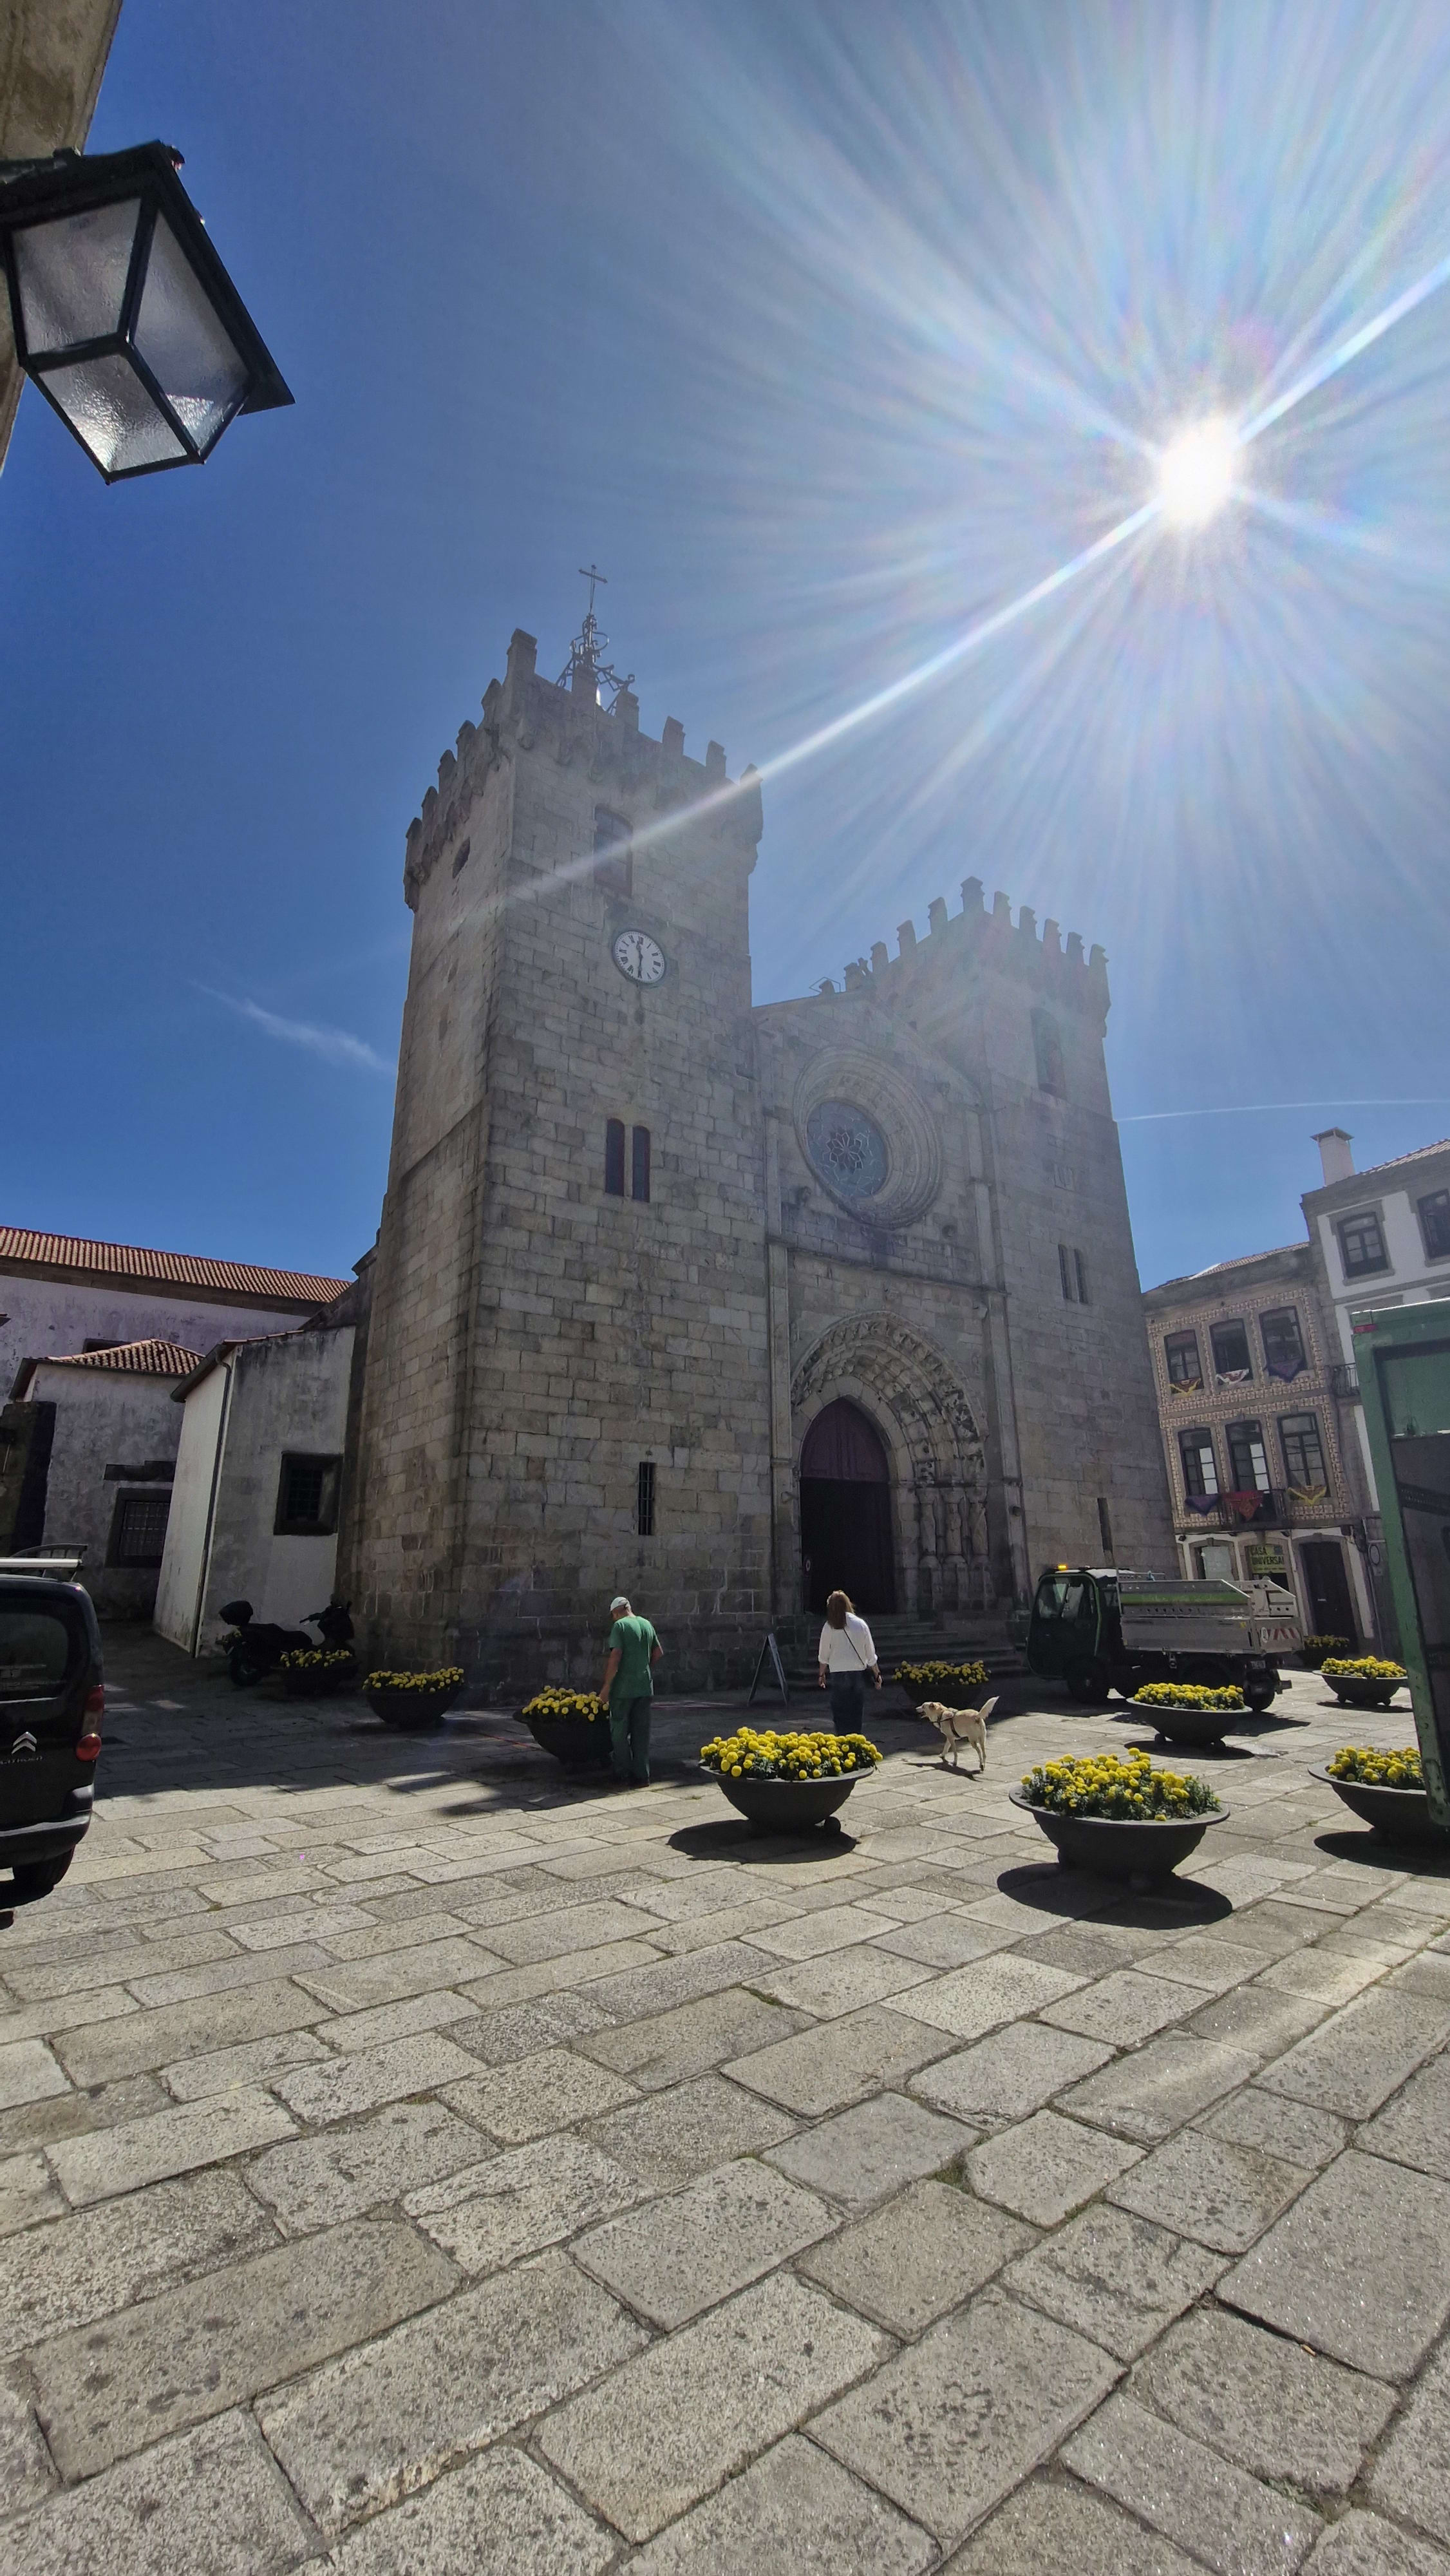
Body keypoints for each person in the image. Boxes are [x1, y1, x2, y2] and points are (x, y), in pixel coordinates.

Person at [599, 1593, 663, 1786]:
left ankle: (622, 1772)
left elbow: (616, 1655)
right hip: (644, 1686)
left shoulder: (620, 1626)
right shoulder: (646, 1624)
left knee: (619, 1731)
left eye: (613, 1616)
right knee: (641, 1733)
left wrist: (607, 1686)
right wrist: (644, 1668)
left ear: (616, 1612)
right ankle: (642, 1775)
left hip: (623, 1689)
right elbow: (658, 1652)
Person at [816, 1589, 881, 1732]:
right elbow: (870, 1654)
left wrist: (822, 1674)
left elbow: (824, 1654)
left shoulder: (829, 1626)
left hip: (838, 1673)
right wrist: (877, 1674)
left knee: (840, 1713)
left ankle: (842, 1740)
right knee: (856, 1713)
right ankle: (856, 1739)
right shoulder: (860, 1624)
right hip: (858, 1673)